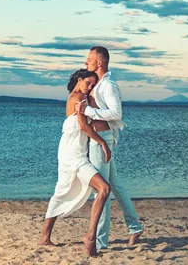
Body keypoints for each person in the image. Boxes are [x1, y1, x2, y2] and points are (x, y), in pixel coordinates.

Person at [75, 46, 143, 250]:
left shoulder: (109, 85)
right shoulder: (98, 83)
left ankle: (100, 240)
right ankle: (134, 226)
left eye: (90, 59)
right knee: (116, 185)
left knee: (101, 190)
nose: (86, 61)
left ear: (100, 62)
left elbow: (116, 113)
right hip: (100, 138)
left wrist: (88, 110)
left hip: (102, 139)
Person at [39, 68, 111, 257]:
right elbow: (83, 126)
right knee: (103, 189)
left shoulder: (74, 97)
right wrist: (103, 142)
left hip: (70, 152)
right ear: (79, 80)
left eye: (93, 85)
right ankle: (90, 237)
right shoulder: (78, 98)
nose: (89, 87)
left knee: (61, 191)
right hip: (73, 155)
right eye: (87, 83)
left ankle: (44, 238)